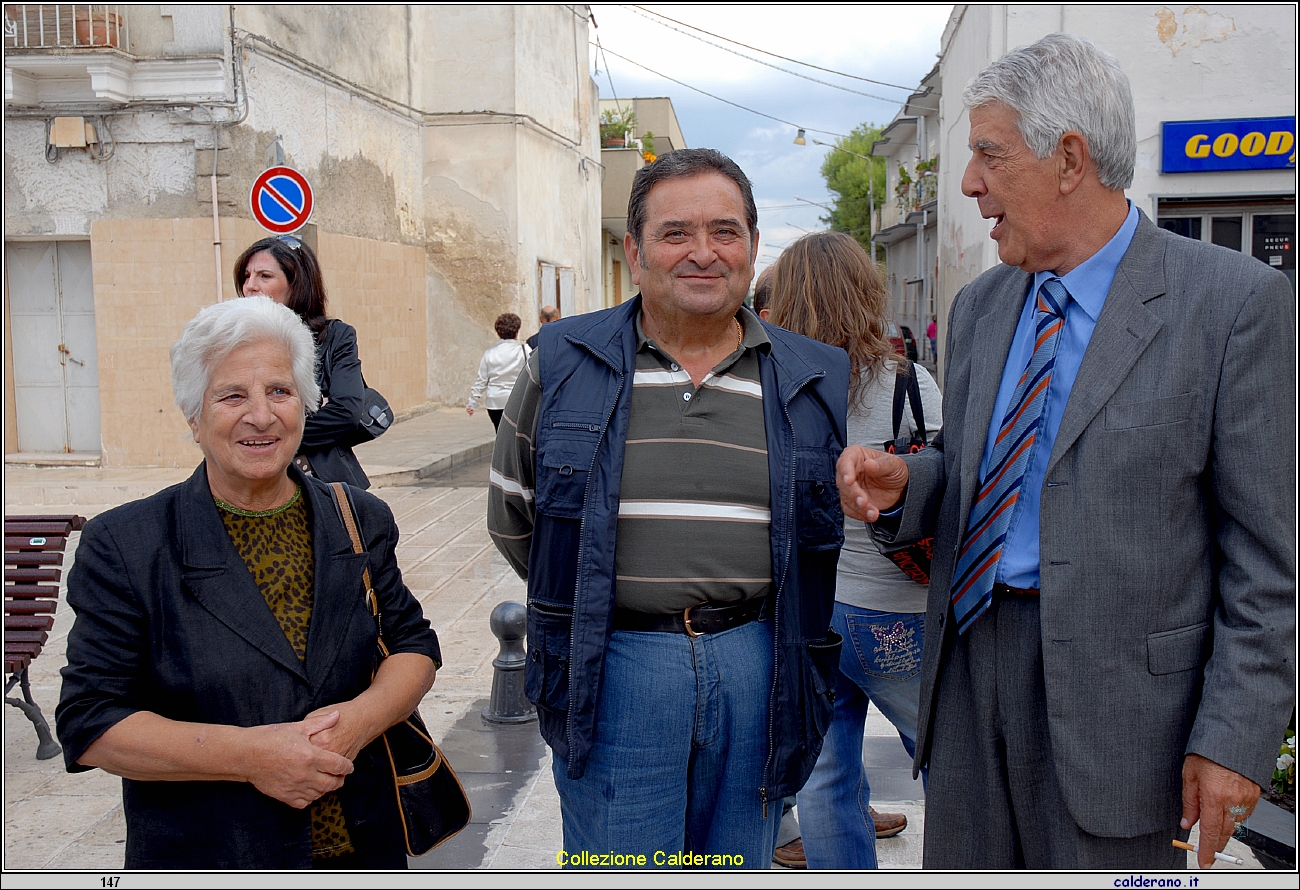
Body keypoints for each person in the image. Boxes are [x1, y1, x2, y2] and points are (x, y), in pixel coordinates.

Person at [837, 34, 1295, 870]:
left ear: (1070, 158)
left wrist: (1233, 739)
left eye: (987, 154)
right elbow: (991, 474)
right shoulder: (979, 307)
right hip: (971, 678)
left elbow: (1269, 557)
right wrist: (912, 482)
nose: (970, 183)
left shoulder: (1234, 306)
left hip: (1129, 718)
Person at [487, 148, 849, 868]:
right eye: (676, 233)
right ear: (636, 249)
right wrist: (606, 597)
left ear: (751, 244)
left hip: (760, 664)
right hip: (614, 663)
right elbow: (516, 518)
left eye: (725, 231)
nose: (703, 254)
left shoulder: (814, 374)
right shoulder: (560, 360)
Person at [56, 296, 441, 869]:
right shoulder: (127, 544)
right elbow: (92, 721)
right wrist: (252, 756)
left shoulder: (359, 518)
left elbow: (413, 645)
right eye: (232, 395)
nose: (261, 416)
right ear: (193, 415)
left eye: (280, 392)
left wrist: (357, 725)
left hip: (364, 849)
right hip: (212, 853)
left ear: (305, 405)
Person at [770, 232, 941, 870]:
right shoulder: (908, 384)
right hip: (897, 606)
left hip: (810, 608)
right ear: (867, 295)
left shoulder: (772, 387)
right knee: (946, 758)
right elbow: (949, 482)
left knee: (825, 774)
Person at [235, 234, 371, 489]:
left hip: (324, 482)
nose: (250, 286)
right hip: (249, 484)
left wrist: (262, 437)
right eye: (246, 276)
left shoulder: (334, 337)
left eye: (264, 276)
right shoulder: (232, 342)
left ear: (295, 284)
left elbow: (345, 413)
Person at [467, 312, 529, 431]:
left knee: (499, 433)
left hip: (495, 401)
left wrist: (472, 402)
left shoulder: (490, 353)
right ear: (517, 331)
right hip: (517, 400)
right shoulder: (524, 350)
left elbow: (481, 380)